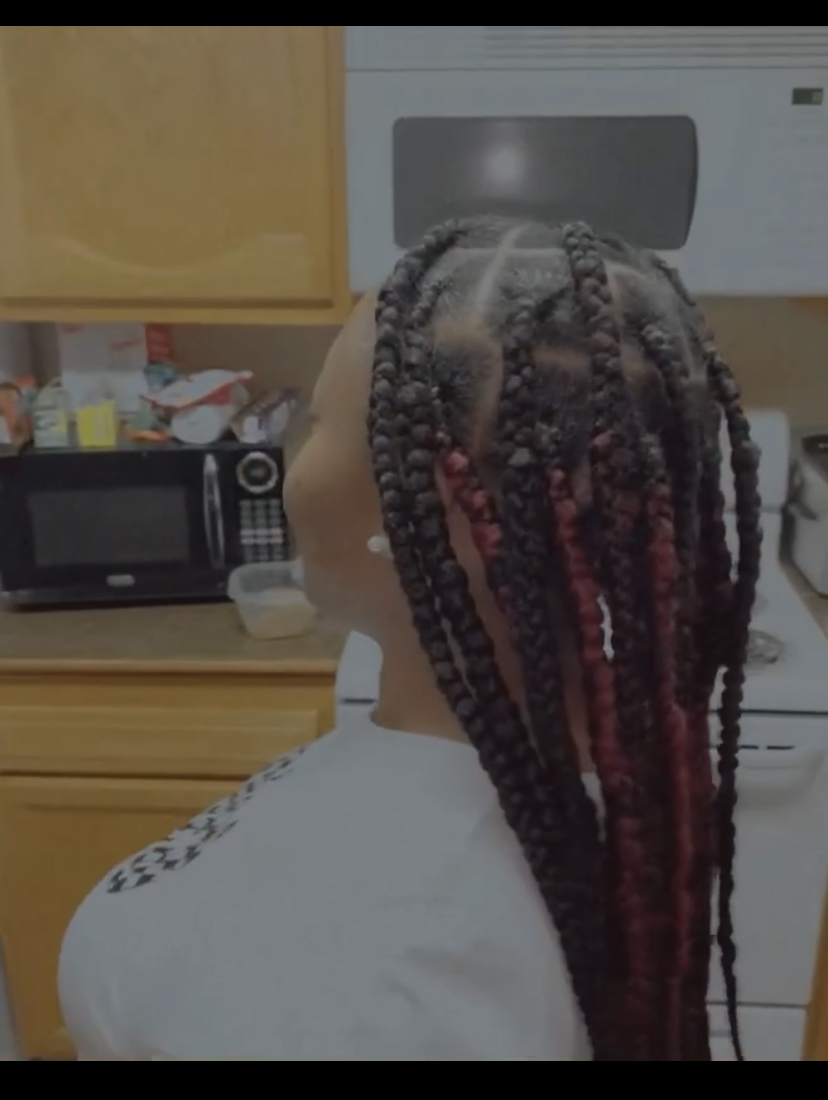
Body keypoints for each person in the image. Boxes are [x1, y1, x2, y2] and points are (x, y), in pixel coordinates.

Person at [58, 218, 760, 1061]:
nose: (296, 459)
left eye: (319, 420)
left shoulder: (384, 987)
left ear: (442, 504)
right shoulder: (560, 777)